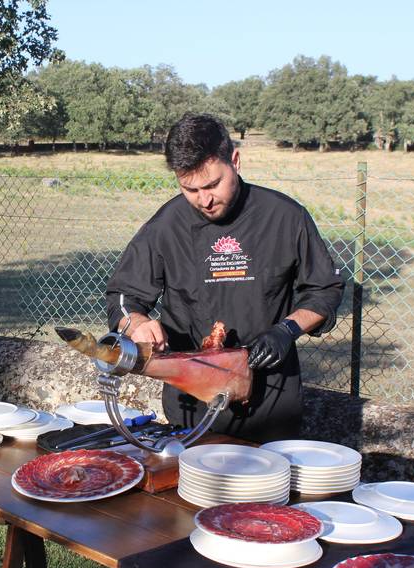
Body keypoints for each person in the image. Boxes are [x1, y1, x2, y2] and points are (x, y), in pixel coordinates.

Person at [105, 113, 344, 442]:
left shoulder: (286, 217)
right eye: (190, 189)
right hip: (189, 409)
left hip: (272, 406)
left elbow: (325, 290)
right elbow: (123, 293)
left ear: (235, 161)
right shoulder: (166, 225)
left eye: (213, 185)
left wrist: (286, 330)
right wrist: (135, 322)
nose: (204, 200)